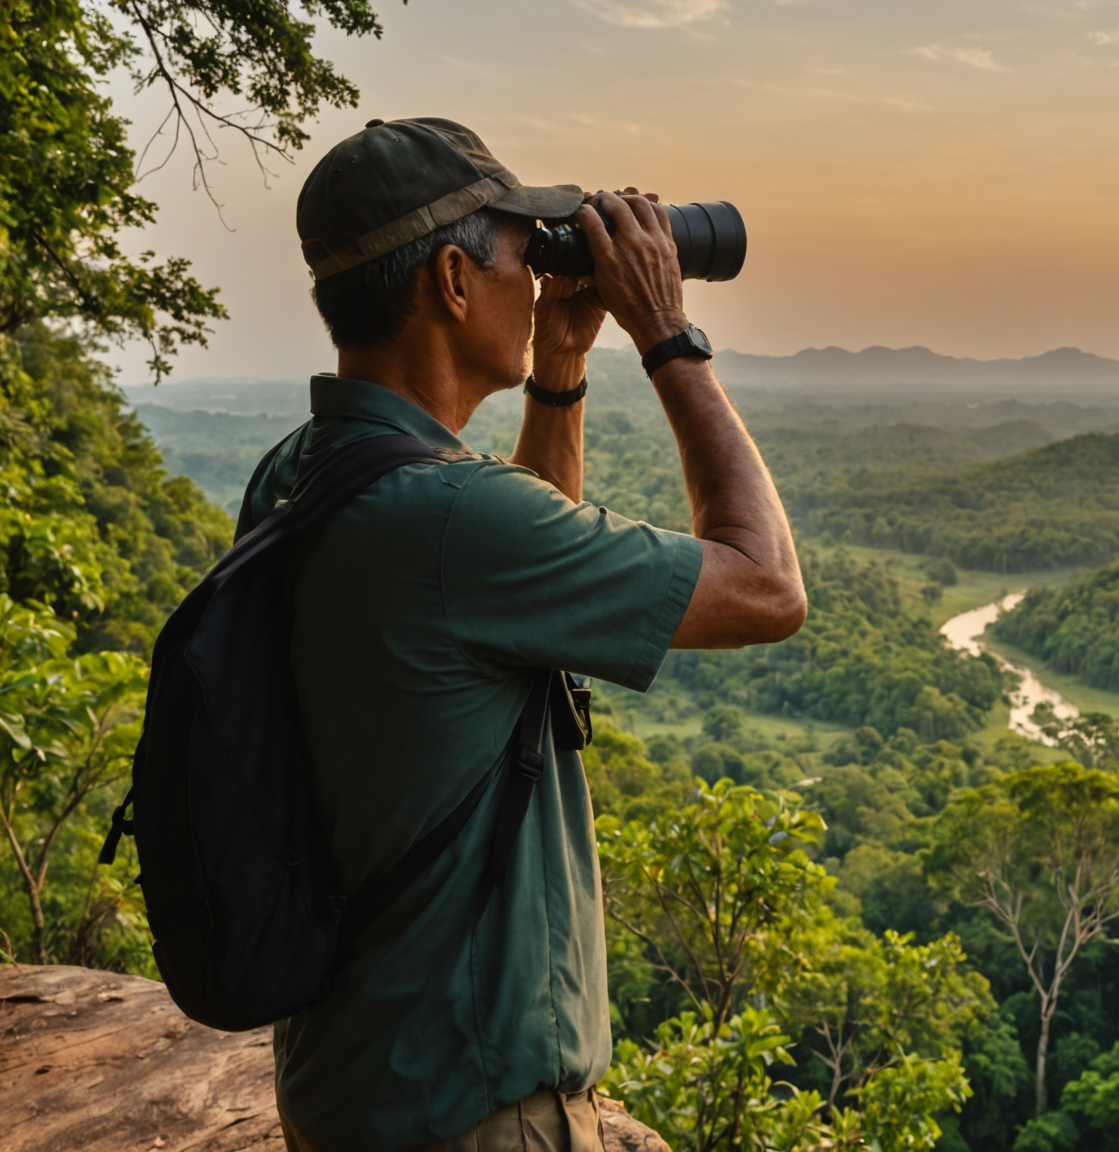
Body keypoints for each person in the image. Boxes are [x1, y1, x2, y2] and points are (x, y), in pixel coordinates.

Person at [250, 117, 805, 1152]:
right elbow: (767, 589)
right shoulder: (448, 517)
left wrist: (560, 367)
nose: (539, 270)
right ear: (454, 282)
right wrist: (668, 337)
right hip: (470, 1104)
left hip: (357, 1073)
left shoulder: (304, 471)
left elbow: (509, 621)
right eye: (523, 246)